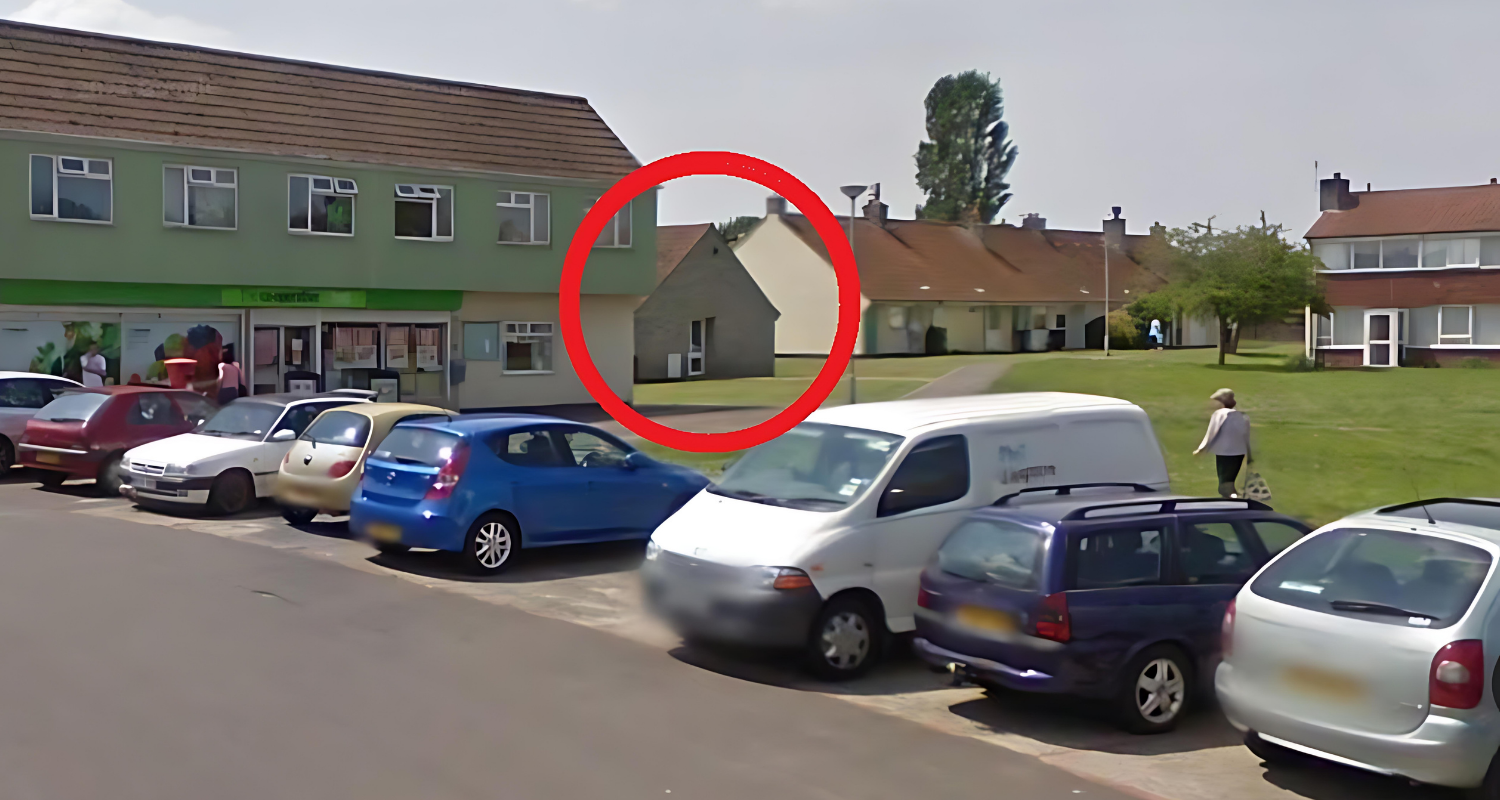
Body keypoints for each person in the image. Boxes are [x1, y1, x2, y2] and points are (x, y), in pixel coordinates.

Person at [1193, 388, 1251, 498]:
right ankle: (1234, 497)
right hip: (1239, 452)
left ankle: (1232, 500)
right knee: (1230, 481)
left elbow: (1211, 433)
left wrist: (1201, 449)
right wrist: (1250, 454)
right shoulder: (1243, 415)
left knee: (1223, 484)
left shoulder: (1219, 414)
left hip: (1224, 452)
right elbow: (1246, 436)